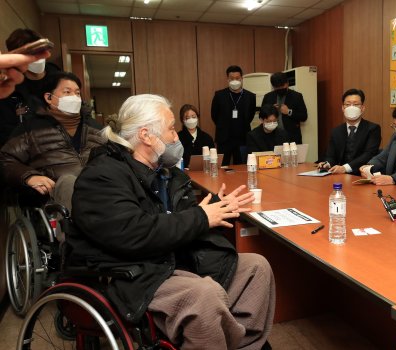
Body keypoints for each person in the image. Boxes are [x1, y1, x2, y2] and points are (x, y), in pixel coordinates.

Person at [65, 94, 275, 350]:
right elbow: (135, 233)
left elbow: (184, 219)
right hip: (131, 272)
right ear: (146, 135)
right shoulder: (101, 176)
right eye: (170, 128)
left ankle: (242, 345)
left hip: (172, 258)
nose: (176, 137)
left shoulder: (167, 174)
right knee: (204, 296)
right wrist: (201, 217)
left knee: (257, 267)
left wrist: (216, 211)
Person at [0, 71, 104, 207]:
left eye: (77, 93)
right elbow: (5, 158)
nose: (74, 97)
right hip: (56, 199)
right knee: (68, 182)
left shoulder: (96, 128)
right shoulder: (31, 128)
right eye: (67, 92)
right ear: (49, 97)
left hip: (101, 193)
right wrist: (29, 176)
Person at [0, 29, 60, 147]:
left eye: (39, 50)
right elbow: (5, 132)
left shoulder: (59, 78)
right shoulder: (9, 88)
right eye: (29, 52)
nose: (37, 57)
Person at [317, 89, 381, 175]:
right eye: (347, 104)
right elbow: (330, 155)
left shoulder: (373, 129)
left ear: (362, 108)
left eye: (355, 104)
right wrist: (327, 164)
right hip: (340, 176)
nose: (351, 107)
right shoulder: (336, 131)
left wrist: (345, 168)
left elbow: (368, 155)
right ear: (343, 108)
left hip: (361, 175)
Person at [211, 65, 256, 166]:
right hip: (224, 138)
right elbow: (214, 115)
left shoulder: (250, 96)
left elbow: (251, 115)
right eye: (232, 78)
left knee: (241, 167)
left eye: (237, 78)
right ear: (227, 79)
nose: (235, 81)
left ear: (242, 78)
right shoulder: (219, 95)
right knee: (222, 166)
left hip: (242, 138)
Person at [261, 72, 307, 144]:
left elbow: (304, 116)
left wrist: (289, 112)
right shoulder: (268, 97)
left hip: (292, 137)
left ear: (287, 83)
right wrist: (270, 110)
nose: (280, 90)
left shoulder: (297, 96)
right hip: (272, 136)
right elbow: (261, 116)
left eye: (282, 87)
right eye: (277, 88)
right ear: (273, 86)